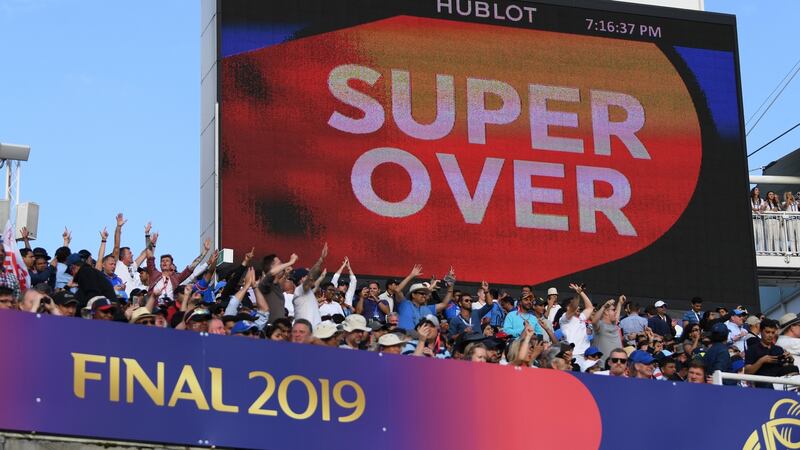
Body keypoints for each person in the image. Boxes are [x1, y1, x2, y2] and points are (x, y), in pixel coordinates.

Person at [745, 319, 798, 389]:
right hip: (763, 384)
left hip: (780, 381)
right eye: (767, 332)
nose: (770, 335)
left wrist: (790, 360)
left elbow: (786, 368)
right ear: (761, 331)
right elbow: (747, 372)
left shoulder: (778, 349)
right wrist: (761, 361)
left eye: (773, 333)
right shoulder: (752, 349)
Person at [396, 266, 452, 330]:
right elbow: (397, 290)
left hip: (423, 339)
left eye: (425, 294)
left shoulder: (427, 308)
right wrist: (411, 276)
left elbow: (444, 304)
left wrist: (450, 286)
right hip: (406, 338)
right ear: (413, 295)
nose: (424, 296)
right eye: (422, 293)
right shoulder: (405, 304)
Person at [559, 283, 594, 364]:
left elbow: (590, 308)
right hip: (574, 354)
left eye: (578, 305)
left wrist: (581, 292)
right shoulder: (564, 318)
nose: (578, 307)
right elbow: (573, 307)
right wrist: (577, 294)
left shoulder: (581, 317)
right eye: (575, 304)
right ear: (567, 308)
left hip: (586, 354)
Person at [591, 296, 624, 365]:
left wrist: (620, 303)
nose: (616, 312)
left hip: (618, 364)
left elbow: (616, 316)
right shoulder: (600, 325)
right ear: (606, 312)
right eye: (613, 310)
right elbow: (594, 321)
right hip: (604, 367)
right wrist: (604, 307)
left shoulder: (614, 324)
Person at [751, 187, 766, 252]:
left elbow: (762, 209)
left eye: (758, 190)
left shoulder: (761, 200)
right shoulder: (750, 199)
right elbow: (751, 208)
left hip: (759, 219)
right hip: (753, 219)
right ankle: (754, 251)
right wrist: (757, 209)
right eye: (756, 190)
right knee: (754, 235)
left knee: (760, 235)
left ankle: (762, 251)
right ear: (753, 191)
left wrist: (760, 209)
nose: (758, 191)